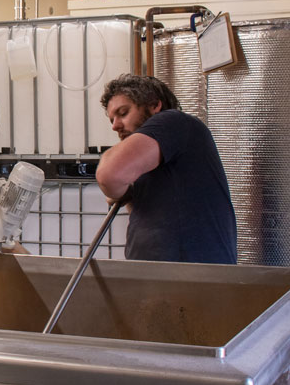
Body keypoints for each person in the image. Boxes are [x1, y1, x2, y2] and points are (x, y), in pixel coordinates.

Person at [95, 74, 236, 264]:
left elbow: (109, 174)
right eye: (112, 119)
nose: (115, 126)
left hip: (186, 276)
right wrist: (126, 192)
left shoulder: (173, 121)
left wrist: (119, 190)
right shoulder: (159, 159)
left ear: (154, 105)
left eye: (123, 113)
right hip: (163, 275)